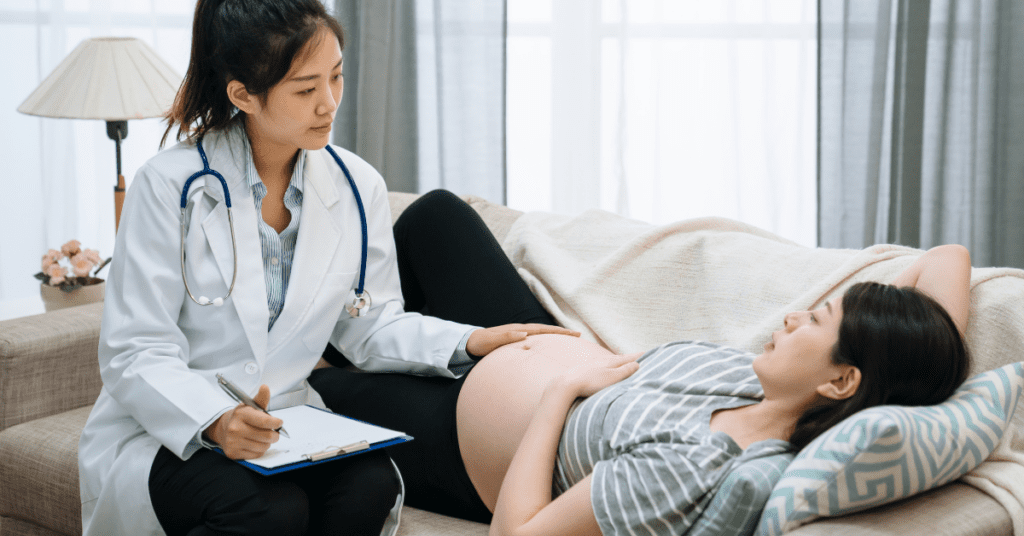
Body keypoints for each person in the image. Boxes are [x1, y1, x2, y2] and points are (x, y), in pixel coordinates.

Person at [76, 2, 572, 535]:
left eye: (335, 77)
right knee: (269, 510)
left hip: (290, 423)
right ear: (243, 94)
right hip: (171, 426)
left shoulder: (357, 187)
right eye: (305, 89)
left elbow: (368, 324)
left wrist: (469, 341)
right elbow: (135, 350)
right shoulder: (169, 187)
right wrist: (214, 420)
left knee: (372, 484)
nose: (329, 103)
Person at [310, 190, 973, 536]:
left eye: (817, 322)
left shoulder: (696, 467)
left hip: (463, 439)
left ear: (839, 380)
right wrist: (916, 366)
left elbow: (522, 532)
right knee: (435, 219)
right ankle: (346, 332)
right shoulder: (759, 385)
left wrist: (556, 394)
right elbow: (948, 259)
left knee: (307, 389)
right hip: (525, 339)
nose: (794, 316)